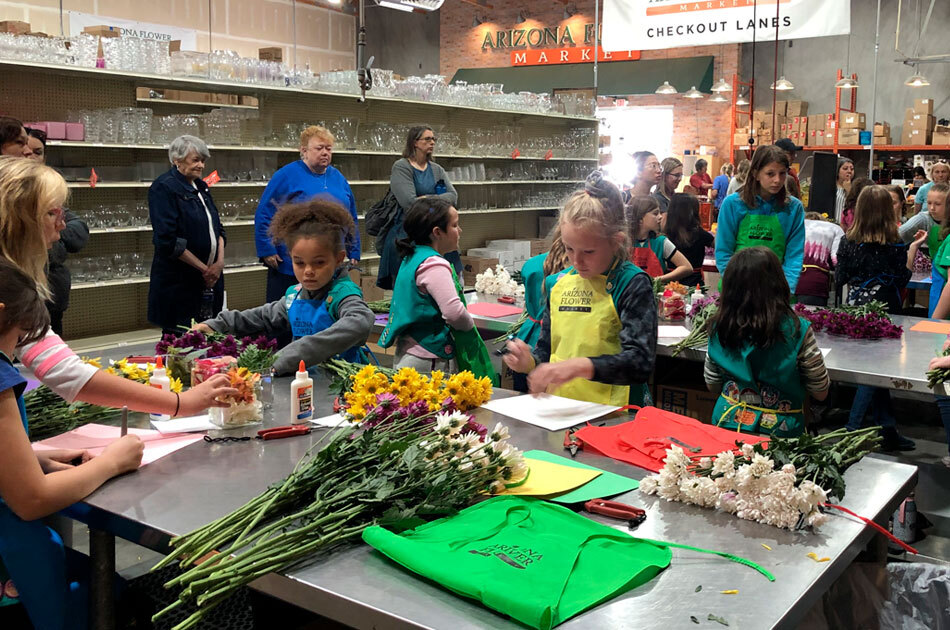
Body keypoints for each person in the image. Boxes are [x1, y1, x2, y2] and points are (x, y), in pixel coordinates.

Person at [0, 157, 236, 423]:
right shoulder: (9, 287)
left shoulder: (14, 281)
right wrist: (181, 403)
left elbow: (55, 363)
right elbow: (65, 373)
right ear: (18, 220)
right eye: (51, 213)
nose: (62, 225)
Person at [0, 259, 144, 629]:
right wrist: (110, 462)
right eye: (18, 337)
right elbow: (32, 500)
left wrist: (35, 458)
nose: (16, 352)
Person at [502, 184, 657, 407]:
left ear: (616, 242)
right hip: (561, 407)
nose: (576, 261)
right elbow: (546, 352)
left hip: (615, 413)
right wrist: (529, 362)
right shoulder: (557, 284)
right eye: (569, 249)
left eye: (588, 252)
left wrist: (579, 367)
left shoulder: (631, 283)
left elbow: (639, 362)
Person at [194, 200, 373, 374]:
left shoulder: (343, 294)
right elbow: (262, 317)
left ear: (339, 259)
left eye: (319, 263)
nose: (308, 271)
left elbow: (360, 322)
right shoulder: (295, 296)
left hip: (340, 386)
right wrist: (218, 325)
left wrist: (287, 357)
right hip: (303, 382)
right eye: (300, 263)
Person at [704, 247, 829, 437]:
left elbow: (712, 383)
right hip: (779, 435)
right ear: (778, 284)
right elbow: (820, 391)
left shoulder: (718, 328)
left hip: (727, 428)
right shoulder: (798, 330)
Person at [836, 186, 923, 451]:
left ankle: (887, 429)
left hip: (856, 312)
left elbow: (840, 279)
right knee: (874, 374)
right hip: (887, 312)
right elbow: (902, 279)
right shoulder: (896, 243)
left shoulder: (848, 241)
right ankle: (852, 430)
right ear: (888, 210)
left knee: (874, 372)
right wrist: (913, 249)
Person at [378, 197, 495, 382]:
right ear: (437, 232)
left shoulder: (413, 256)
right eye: (455, 225)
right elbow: (454, 313)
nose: (460, 231)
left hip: (409, 353)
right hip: (430, 359)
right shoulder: (434, 265)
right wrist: (469, 326)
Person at [255, 125, 360, 302]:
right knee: (287, 311)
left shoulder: (338, 178)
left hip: (329, 257)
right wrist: (267, 249)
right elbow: (265, 213)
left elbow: (351, 217)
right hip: (291, 259)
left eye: (328, 148)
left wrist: (354, 250)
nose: (325, 153)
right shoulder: (286, 175)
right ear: (304, 150)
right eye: (319, 148)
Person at [147, 135, 226, 335]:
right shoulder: (164, 187)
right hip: (180, 283)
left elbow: (218, 229)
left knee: (209, 338)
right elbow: (168, 240)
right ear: (177, 160)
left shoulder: (201, 187)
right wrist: (204, 270)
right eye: (195, 160)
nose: (201, 165)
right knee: (180, 342)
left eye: (203, 160)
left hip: (209, 280)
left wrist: (219, 264)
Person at [715, 144, 806, 292]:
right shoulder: (732, 204)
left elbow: (794, 256)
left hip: (776, 291)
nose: (777, 180)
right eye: (770, 174)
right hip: (737, 290)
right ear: (756, 174)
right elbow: (723, 252)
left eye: (782, 173)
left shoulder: (793, 208)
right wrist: (735, 286)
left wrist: (786, 290)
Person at [25, 128, 89, 335]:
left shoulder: (48, 189)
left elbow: (79, 233)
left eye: (38, 152)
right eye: (51, 214)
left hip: (51, 302)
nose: (31, 157)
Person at [626, 195, 691, 282]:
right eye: (655, 213)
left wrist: (656, 280)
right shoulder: (624, 242)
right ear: (640, 219)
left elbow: (687, 267)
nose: (660, 217)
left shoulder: (661, 242)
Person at [663, 193, 714, 288]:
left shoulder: (666, 234)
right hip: (695, 284)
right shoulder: (699, 233)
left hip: (670, 283)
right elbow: (719, 246)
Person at [795, 212, 844, 307]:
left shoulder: (796, 225)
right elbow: (836, 261)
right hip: (815, 283)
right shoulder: (834, 228)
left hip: (788, 280)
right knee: (811, 319)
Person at [901, 161, 950, 242]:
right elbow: (917, 210)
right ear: (932, 174)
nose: (940, 175)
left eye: (943, 172)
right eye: (937, 172)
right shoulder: (924, 189)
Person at [923, 184, 950, 317]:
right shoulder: (938, 231)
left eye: (938, 204)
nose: (932, 208)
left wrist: (935, 321)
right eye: (929, 203)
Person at [834, 157, 854, 224]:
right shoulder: (831, 187)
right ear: (837, 171)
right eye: (845, 169)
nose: (849, 171)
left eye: (852, 169)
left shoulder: (856, 188)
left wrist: (849, 190)